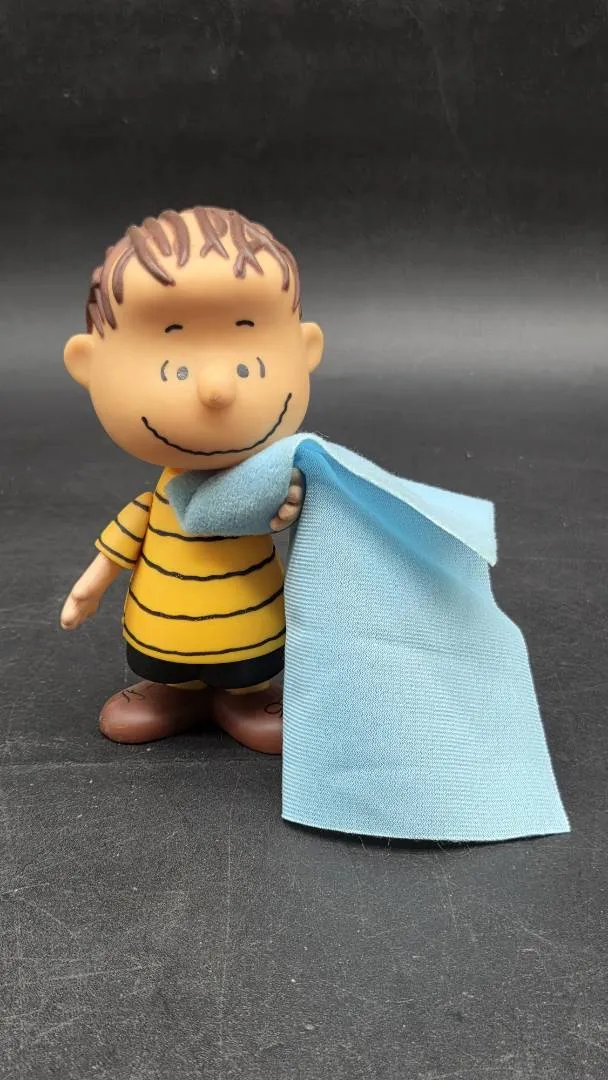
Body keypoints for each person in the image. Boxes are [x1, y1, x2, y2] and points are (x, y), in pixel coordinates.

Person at [60, 206, 324, 752]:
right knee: (165, 663)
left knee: (250, 665)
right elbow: (118, 549)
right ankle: (171, 692)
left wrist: (288, 504)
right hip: (162, 634)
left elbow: (299, 525)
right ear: (88, 365)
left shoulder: (271, 484)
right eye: (174, 369)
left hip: (252, 634)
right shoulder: (152, 505)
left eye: (249, 364)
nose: (216, 389)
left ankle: (244, 696)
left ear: (307, 351)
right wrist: (88, 590)